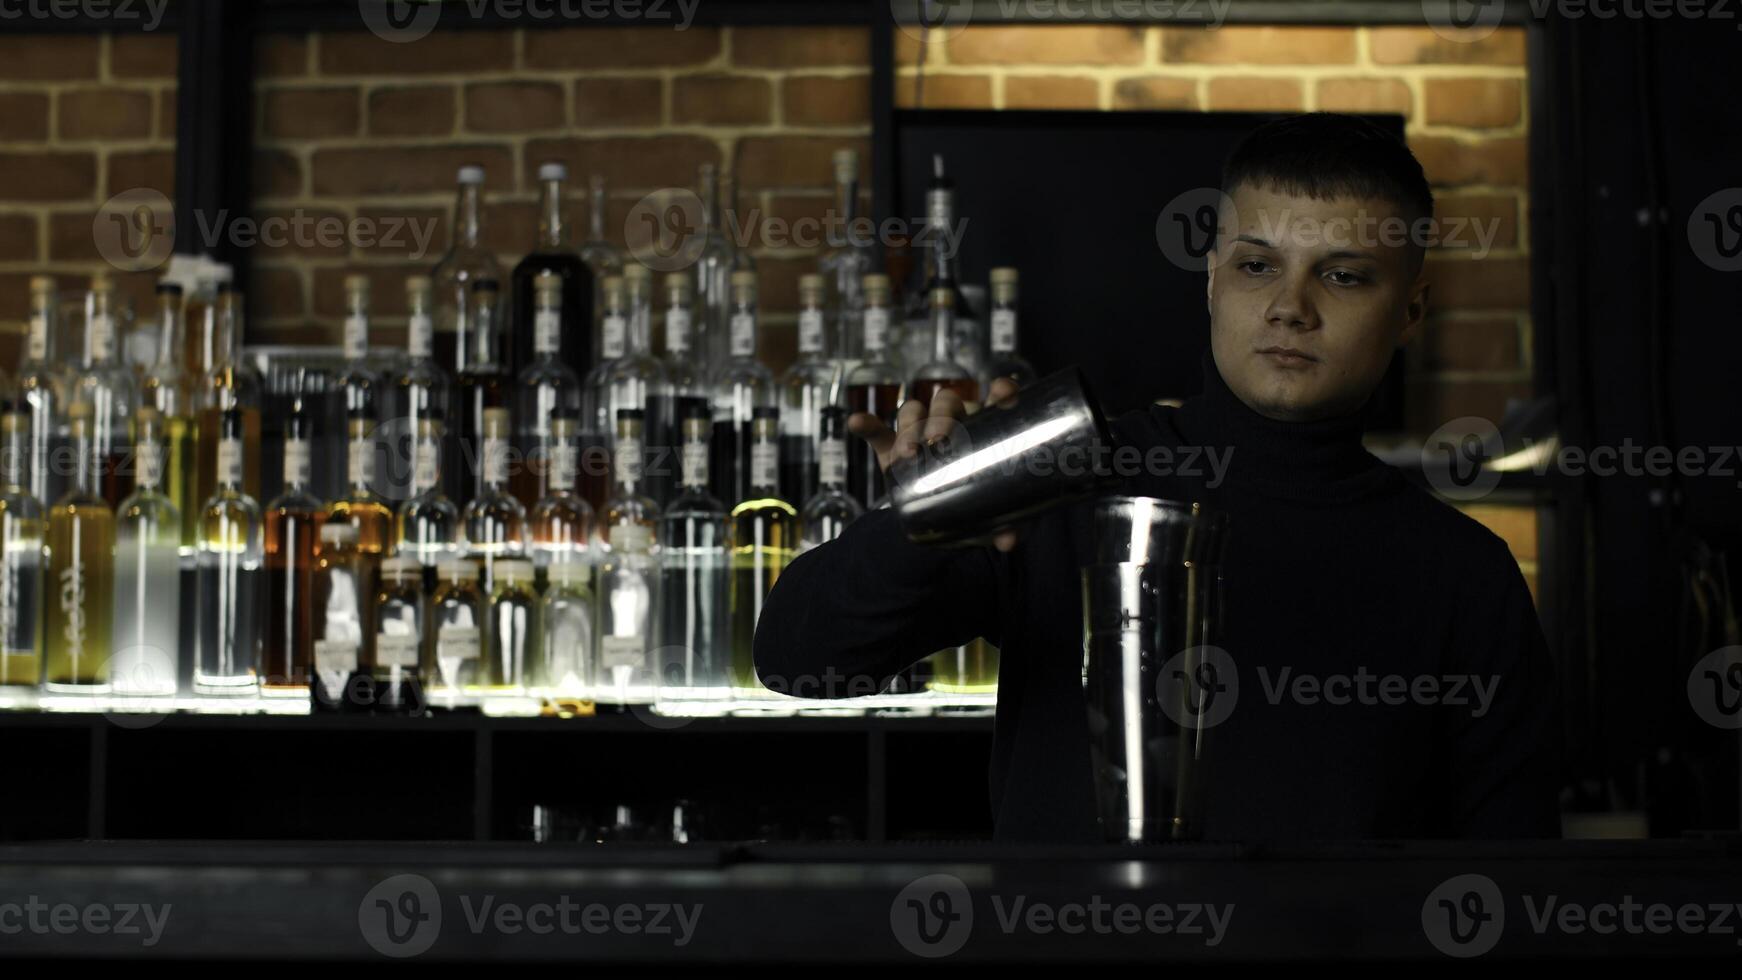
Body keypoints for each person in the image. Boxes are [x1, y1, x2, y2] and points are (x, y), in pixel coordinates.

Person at [753, 113, 1560, 843]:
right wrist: (918, 525)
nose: (1290, 307)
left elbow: (1511, 883)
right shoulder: (1066, 477)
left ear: (1411, 311)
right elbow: (796, 658)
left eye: (1343, 275)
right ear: (1211, 278)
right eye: (1256, 266)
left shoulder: (1464, 574)